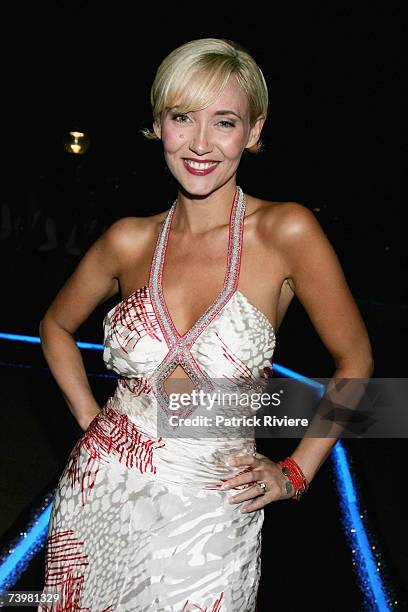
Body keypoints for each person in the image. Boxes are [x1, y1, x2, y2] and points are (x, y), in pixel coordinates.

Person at [37, 38, 373, 611]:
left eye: (224, 121)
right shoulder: (128, 239)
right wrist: (94, 423)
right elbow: (54, 327)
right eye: (182, 117)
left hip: (213, 522)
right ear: (158, 125)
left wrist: (296, 472)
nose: (199, 143)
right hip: (99, 502)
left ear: (255, 131)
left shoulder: (286, 232)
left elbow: (357, 362)